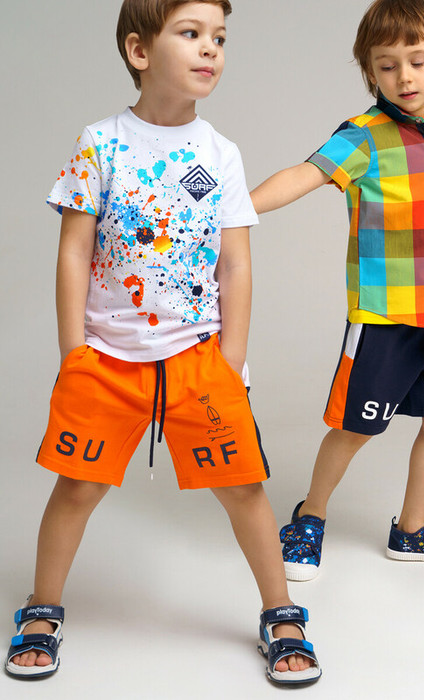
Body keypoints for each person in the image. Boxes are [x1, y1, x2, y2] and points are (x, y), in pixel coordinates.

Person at [5, 0, 321, 685]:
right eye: (191, 34)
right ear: (140, 50)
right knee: (77, 487)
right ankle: (42, 606)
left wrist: (231, 359)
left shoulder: (221, 154)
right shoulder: (100, 142)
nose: (211, 49)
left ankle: (281, 611)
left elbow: (236, 263)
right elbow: (73, 250)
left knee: (244, 489)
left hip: (198, 357)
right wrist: (73, 351)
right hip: (107, 357)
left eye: (219, 38)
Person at [251, 0, 424, 582]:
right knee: (356, 427)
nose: (404, 77)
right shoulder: (363, 137)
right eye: (387, 65)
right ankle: (309, 516)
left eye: (417, 61)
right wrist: (237, 209)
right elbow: (304, 174)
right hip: (383, 317)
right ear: (370, 71)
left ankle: (412, 530)